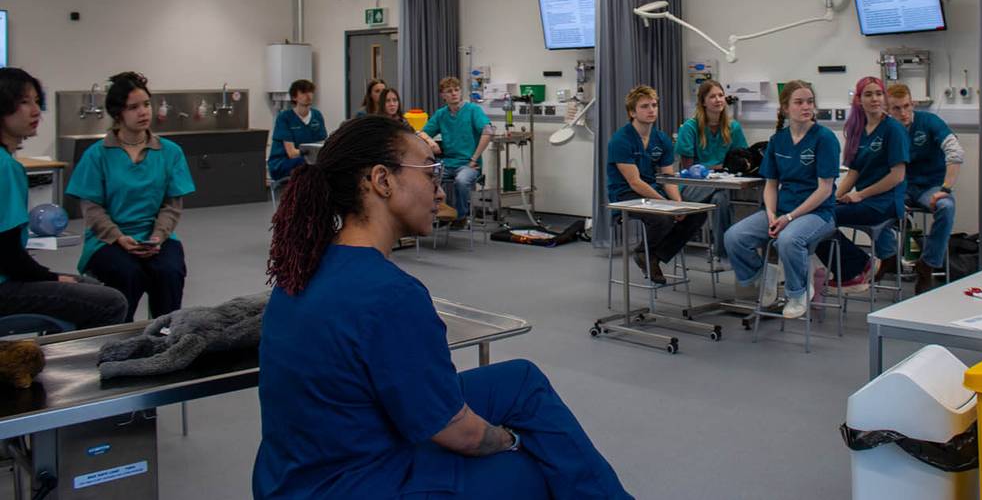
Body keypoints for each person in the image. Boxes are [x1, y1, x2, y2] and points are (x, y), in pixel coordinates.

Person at [254, 115, 631, 500]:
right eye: (431, 175)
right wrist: (513, 441)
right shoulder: (390, 295)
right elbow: (464, 435)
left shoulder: (304, 268)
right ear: (382, 181)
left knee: (520, 379)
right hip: (354, 485)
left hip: (291, 476)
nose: (441, 194)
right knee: (533, 468)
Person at [0, 68, 128, 329]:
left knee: (89, 288)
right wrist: (53, 278)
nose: (36, 111)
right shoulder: (5, 167)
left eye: (37, 101)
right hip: (5, 288)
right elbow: (7, 254)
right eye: (24, 102)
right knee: (111, 302)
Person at [66, 72, 195, 320]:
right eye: (133, 107)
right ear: (118, 114)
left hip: (155, 236)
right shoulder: (98, 155)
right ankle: (118, 339)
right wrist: (118, 238)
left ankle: (163, 339)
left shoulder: (170, 152)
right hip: (108, 240)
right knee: (128, 274)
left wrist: (158, 236)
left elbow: (172, 205)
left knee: (170, 271)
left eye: (146, 104)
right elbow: (92, 209)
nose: (143, 112)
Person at [723, 80, 839, 319]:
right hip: (783, 211)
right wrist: (771, 214)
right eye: (799, 102)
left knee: (788, 239)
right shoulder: (778, 141)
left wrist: (788, 217)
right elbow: (771, 184)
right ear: (786, 108)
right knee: (734, 237)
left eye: (809, 101)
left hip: (817, 213)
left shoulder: (825, 138)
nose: (806, 106)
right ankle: (764, 276)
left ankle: (798, 293)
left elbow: (825, 189)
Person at [819, 76, 909, 291]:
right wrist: (832, 197)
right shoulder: (857, 130)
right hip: (863, 201)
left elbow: (897, 176)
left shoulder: (893, 129)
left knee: (820, 219)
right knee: (818, 213)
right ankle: (855, 266)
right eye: (868, 94)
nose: (874, 99)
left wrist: (860, 195)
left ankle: (859, 265)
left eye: (878, 94)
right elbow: (853, 173)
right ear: (859, 100)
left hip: (885, 202)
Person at [605, 85, 697, 286]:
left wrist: (678, 203)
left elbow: (669, 176)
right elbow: (634, 182)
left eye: (654, 105)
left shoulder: (661, 139)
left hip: (653, 192)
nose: (651, 110)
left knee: (695, 214)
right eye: (644, 106)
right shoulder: (621, 140)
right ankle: (644, 253)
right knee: (662, 218)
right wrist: (667, 205)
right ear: (632, 112)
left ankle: (653, 255)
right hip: (625, 194)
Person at [885, 83, 964, 293]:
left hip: (931, 186)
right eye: (896, 108)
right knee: (877, 206)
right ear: (887, 110)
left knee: (946, 207)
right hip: (901, 187)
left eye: (906, 106)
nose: (903, 113)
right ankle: (888, 258)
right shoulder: (885, 130)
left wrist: (945, 189)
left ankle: (927, 264)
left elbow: (955, 151)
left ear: (913, 103)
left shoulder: (929, 122)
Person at [674, 80, 748, 259]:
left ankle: (722, 254)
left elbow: (741, 158)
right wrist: (717, 169)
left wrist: (718, 169)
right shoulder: (690, 128)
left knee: (721, 199)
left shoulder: (733, 127)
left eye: (721, 95)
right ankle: (725, 253)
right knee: (722, 191)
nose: (718, 100)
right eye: (712, 96)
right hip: (694, 186)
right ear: (703, 102)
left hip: (722, 186)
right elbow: (689, 169)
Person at [423, 77, 492, 225]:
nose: (454, 93)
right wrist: (430, 141)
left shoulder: (473, 110)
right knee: (426, 177)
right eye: (449, 91)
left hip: (469, 164)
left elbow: (488, 132)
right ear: (443, 95)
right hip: (447, 162)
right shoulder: (441, 114)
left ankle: (460, 217)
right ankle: (440, 211)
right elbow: (423, 133)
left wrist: (474, 159)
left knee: (461, 181)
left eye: (456, 90)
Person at [268, 79, 327, 182]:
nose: (308, 95)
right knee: (309, 164)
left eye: (310, 92)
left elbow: (322, 143)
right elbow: (291, 153)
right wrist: (311, 153)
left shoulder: (317, 115)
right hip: (283, 163)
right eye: (303, 92)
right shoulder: (284, 118)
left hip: (309, 159)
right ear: (294, 97)